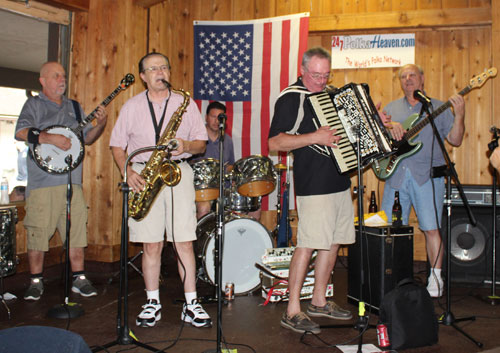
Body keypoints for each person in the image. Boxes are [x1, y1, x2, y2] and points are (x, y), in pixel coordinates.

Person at [109, 52, 212, 328]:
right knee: (151, 243)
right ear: (142, 76)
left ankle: (191, 303)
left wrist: (185, 145)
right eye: (153, 69)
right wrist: (127, 171)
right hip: (143, 173)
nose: (160, 72)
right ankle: (152, 301)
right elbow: (117, 145)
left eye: (164, 67)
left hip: (177, 172)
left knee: (184, 242)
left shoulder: (185, 103)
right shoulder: (131, 106)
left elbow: (201, 144)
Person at [268, 47, 354, 335]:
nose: (321, 81)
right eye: (316, 75)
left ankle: (319, 300)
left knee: (332, 242)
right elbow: (275, 143)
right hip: (313, 184)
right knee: (307, 243)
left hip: (340, 180)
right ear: (302, 70)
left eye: (326, 75)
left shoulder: (331, 95)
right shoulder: (292, 97)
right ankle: (292, 309)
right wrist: (313, 137)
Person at [15, 61, 107, 301]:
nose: (61, 79)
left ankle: (79, 278)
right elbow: (21, 132)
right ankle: (36, 281)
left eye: (63, 75)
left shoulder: (75, 108)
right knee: (37, 232)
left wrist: (102, 124)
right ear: (43, 80)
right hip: (42, 184)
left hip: (72, 181)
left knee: (76, 231)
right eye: (56, 76)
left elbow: (87, 139)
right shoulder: (33, 104)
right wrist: (49, 138)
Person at [380, 63, 465, 298]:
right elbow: (379, 138)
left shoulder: (436, 107)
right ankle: (391, 278)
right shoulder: (391, 108)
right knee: (390, 231)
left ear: (422, 78)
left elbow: (455, 140)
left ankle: (436, 280)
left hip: (426, 177)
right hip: (396, 176)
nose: (408, 79)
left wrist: (459, 116)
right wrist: (389, 126)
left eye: (412, 75)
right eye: (403, 76)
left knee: (431, 229)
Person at [193, 101, 235, 219]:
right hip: (201, 190)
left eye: (220, 117)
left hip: (224, 189)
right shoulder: (196, 139)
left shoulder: (228, 140)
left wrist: (234, 173)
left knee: (248, 206)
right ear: (206, 117)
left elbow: (230, 165)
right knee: (204, 208)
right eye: (213, 116)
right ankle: (201, 237)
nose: (217, 121)